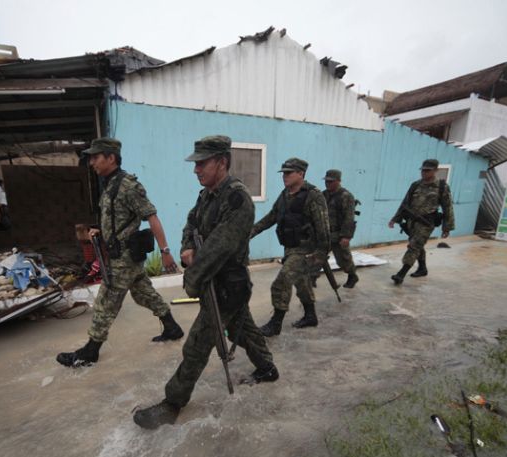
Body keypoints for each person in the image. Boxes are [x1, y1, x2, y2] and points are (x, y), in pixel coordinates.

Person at [133, 135, 278, 429]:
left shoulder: (237, 199)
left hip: (227, 285)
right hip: (215, 280)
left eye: (201, 163)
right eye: (195, 164)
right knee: (242, 329)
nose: (195, 170)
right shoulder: (207, 196)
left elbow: (219, 248)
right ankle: (267, 368)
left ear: (222, 163)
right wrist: (188, 247)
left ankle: (173, 402)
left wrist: (192, 272)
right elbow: (191, 223)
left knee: (198, 343)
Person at [56, 137, 184, 368]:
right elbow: (117, 220)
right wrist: (102, 231)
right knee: (144, 293)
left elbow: (151, 216)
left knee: (106, 302)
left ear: (111, 158)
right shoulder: (110, 184)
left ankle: (90, 351)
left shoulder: (127, 186)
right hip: (124, 255)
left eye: (96, 157)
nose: (92, 162)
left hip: (123, 258)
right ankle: (172, 328)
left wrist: (165, 251)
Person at [250, 158, 331, 337]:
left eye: (289, 173)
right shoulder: (285, 194)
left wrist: (321, 253)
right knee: (301, 283)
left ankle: (276, 323)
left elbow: (323, 227)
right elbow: (272, 216)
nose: (284, 176)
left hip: (306, 250)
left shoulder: (314, 195)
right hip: (290, 247)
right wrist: (250, 232)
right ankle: (311, 316)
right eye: (283, 173)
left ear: (301, 174)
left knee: (282, 281)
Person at [387, 159, 455, 285]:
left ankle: (401, 273)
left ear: (435, 170)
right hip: (411, 222)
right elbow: (405, 203)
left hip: (426, 222)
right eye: (423, 170)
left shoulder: (441, 186)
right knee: (418, 245)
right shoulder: (415, 185)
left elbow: (448, 207)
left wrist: (447, 227)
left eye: (427, 170)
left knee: (414, 246)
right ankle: (422, 268)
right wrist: (395, 219)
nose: (424, 173)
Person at [322, 169, 359, 288]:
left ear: (338, 181)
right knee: (318, 256)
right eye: (326, 181)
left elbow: (349, 218)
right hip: (325, 233)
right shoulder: (324, 195)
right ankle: (312, 277)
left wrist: (346, 236)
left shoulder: (346, 196)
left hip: (339, 233)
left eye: (331, 181)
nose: (328, 184)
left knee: (343, 259)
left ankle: (352, 275)